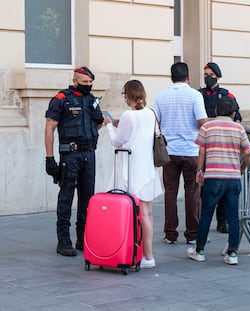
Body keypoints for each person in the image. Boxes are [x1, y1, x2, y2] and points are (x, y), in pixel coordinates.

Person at [102, 79, 163, 269]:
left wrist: (109, 126)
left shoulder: (129, 115)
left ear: (128, 96)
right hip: (147, 168)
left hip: (131, 167)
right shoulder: (151, 113)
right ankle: (148, 255)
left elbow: (117, 141)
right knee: (147, 212)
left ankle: (142, 254)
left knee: (135, 212)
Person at [44, 67, 104, 256]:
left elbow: (98, 124)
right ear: (75, 80)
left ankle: (82, 239)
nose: (88, 85)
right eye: (85, 82)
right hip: (70, 156)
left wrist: (99, 121)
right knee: (66, 198)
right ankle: (63, 241)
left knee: (88, 200)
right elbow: (49, 128)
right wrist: (49, 158)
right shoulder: (62, 98)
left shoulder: (92, 100)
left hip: (89, 155)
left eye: (90, 82)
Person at [187, 96, 250, 265]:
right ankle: (232, 254)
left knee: (206, 214)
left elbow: (201, 151)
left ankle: (200, 250)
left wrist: (200, 170)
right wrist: (242, 168)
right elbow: (248, 152)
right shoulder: (239, 128)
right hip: (232, 178)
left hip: (213, 177)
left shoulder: (207, 126)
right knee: (232, 216)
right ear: (233, 113)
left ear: (215, 111)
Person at [153, 62, 208, 245]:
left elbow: (156, 123)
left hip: (169, 152)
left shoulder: (161, 96)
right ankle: (193, 234)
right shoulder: (195, 95)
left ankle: (170, 233)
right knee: (192, 193)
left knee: (170, 192)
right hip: (191, 151)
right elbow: (202, 121)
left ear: (171, 77)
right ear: (188, 77)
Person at [199, 62, 242, 233]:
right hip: (206, 144)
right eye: (205, 74)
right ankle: (204, 221)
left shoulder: (226, 95)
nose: (207, 77)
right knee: (205, 187)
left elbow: (237, 117)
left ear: (217, 76)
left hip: (223, 145)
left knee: (224, 187)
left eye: (210, 74)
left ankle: (222, 221)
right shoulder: (198, 94)